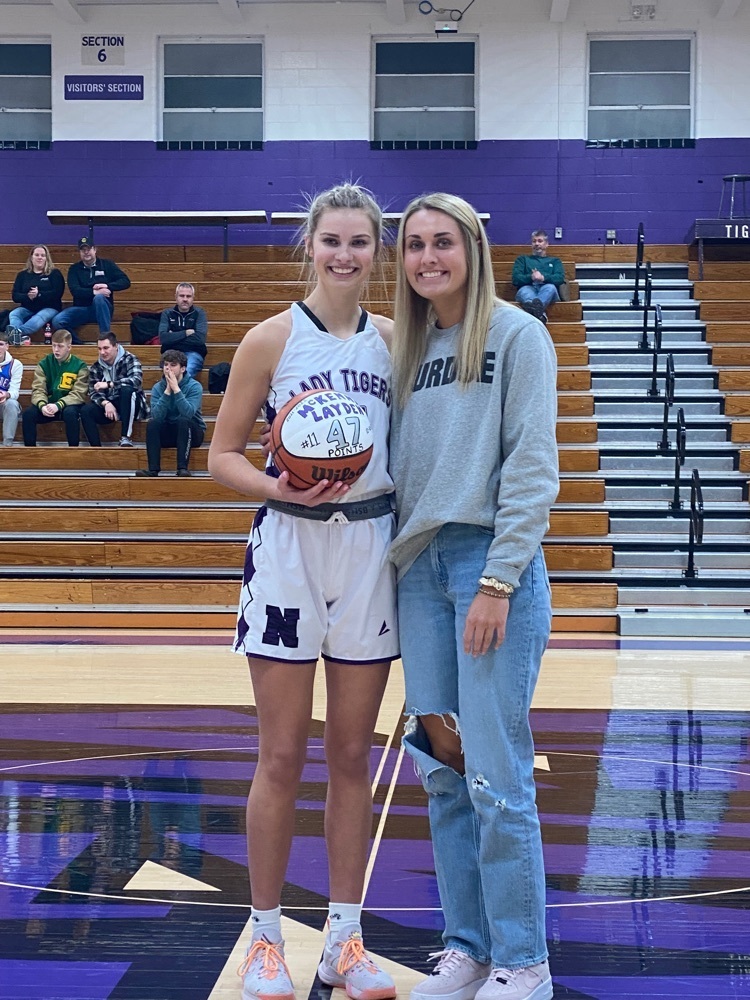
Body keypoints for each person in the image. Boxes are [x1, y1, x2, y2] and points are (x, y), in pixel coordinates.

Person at [207, 183, 399, 1000]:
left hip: (370, 549)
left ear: (375, 250)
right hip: (289, 550)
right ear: (310, 246)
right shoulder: (270, 338)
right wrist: (283, 490)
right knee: (281, 755)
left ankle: (344, 941)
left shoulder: (396, 340)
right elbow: (221, 456)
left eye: (360, 242)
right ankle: (263, 938)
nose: (346, 256)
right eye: (333, 242)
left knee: (352, 756)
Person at [389, 194, 558, 1000]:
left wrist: (499, 578)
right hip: (419, 575)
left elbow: (532, 466)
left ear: (473, 247)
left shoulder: (520, 334)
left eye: (442, 243)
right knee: (443, 773)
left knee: (496, 776)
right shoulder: (409, 350)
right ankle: (468, 948)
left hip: (488, 569)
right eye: (416, 245)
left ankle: (524, 962)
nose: (428, 257)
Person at [135, 349, 205, 477]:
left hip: (191, 431)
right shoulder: (158, 388)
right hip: (169, 431)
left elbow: (188, 413)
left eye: (173, 365)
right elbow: (156, 416)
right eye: (166, 365)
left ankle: (182, 468)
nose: (168, 368)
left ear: (182, 369)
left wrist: (177, 390)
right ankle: (153, 469)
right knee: (152, 424)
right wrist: (167, 391)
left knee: (183, 421)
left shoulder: (194, 386)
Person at [53, 237, 131, 344]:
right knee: (58, 321)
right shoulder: (74, 269)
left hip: (103, 308)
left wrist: (107, 286)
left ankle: (105, 339)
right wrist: (94, 292)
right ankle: (79, 344)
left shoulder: (107, 265)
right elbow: (75, 291)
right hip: (82, 309)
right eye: (83, 250)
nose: (86, 252)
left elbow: (125, 281)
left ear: (95, 250)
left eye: (88, 249)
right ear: (79, 252)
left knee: (99, 298)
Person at [79, 332, 148, 448]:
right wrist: (105, 403)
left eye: (106, 348)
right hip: (110, 407)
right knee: (86, 410)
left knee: (127, 391)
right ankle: (96, 448)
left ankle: (126, 437)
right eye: (99, 349)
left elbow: (136, 381)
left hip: (131, 404)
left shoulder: (130, 359)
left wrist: (109, 384)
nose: (102, 352)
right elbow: (93, 391)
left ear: (116, 346)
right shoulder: (96, 367)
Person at [22, 330, 89, 447]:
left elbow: (79, 394)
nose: (56, 349)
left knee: (70, 413)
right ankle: (30, 451)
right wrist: (42, 405)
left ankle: (74, 450)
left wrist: (59, 405)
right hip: (48, 405)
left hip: (68, 405)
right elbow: (38, 389)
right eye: (53, 345)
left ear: (69, 347)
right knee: (28, 414)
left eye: (60, 346)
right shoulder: (44, 363)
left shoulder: (80, 366)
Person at [7, 245, 65, 341]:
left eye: (43, 255)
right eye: (37, 255)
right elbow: (15, 296)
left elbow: (57, 293)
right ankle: (17, 336)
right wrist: (28, 296)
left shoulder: (54, 273)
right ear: (31, 257)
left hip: (49, 308)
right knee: (14, 313)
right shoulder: (22, 275)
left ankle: (18, 333)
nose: (39, 257)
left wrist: (39, 294)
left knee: (40, 316)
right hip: (28, 308)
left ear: (47, 258)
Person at [511, 230, 566, 323]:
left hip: (547, 289)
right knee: (524, 291)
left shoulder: (555, 261)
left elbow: (560, 278)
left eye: (540, 241)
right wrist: (531, 277)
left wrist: (543, 278)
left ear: (546, 244)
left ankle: (534, 312)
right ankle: (540, 315)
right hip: (528, 287)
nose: (536, 244)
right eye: (534, 241)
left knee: (550, 287)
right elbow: (515, 279)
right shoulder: (522, 259)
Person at [158, 282, 208, 379]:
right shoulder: (167, 313)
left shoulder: (199, 313)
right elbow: (163, 338)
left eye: (188, 296)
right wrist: (186, 333)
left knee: (187, 371)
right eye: (182, 296)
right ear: (176, 297)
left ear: (193, 298)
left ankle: (177, 393)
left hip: (193, 352)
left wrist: (173, 337)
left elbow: (200, 339)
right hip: (170, 353)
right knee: (170, 371)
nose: (185, 299)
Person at [0, 334, 23, 446]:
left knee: (12, 404)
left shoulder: (16, 364)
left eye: (1, 344)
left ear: (7, 346)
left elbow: (15, 392)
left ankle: (7, 444)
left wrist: (6, 394)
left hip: (3, 404)